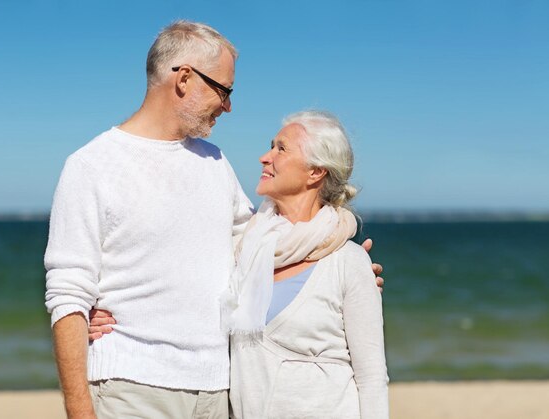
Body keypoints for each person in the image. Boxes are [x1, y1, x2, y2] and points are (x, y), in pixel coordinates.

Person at [48, 20, 383, 419]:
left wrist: (342, 269)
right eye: (223, 90)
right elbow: (68, 294)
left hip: (218, 393)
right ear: (185, 79)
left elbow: (261, 245)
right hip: (132, 390)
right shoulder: (92, 166)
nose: (228, 106)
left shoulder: (214, 162)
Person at [225, 110, 388, 418]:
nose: (264, 157)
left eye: (281, 149)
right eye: (270, 146)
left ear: (315, 172)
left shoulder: (347, 262)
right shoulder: (243, 250)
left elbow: (372, 377)